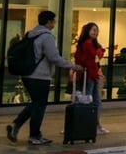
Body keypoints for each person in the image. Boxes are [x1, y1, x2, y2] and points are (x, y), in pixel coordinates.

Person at [7, 10, 84, 145]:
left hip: (27, 75)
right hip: (40, 77)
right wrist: (72, 65)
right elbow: (54, 57)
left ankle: (16, 126)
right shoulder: (47, 37)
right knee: (39, 106)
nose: (54, 24)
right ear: (49, 22)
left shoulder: (30, 34)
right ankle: (34, 135)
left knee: (35, 103)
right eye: (53, 21)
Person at [73, 22, 109, 134]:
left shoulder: (87, 43)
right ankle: (91, 124)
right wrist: (100, 51)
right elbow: (95, 55)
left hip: (91, 75)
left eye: (97, 30)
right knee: (91, 101)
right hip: (88, 76)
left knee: (91, 101)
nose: (95, 32)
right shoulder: (88, 44)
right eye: (93, 30)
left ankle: (91, 124)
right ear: (87, 31)